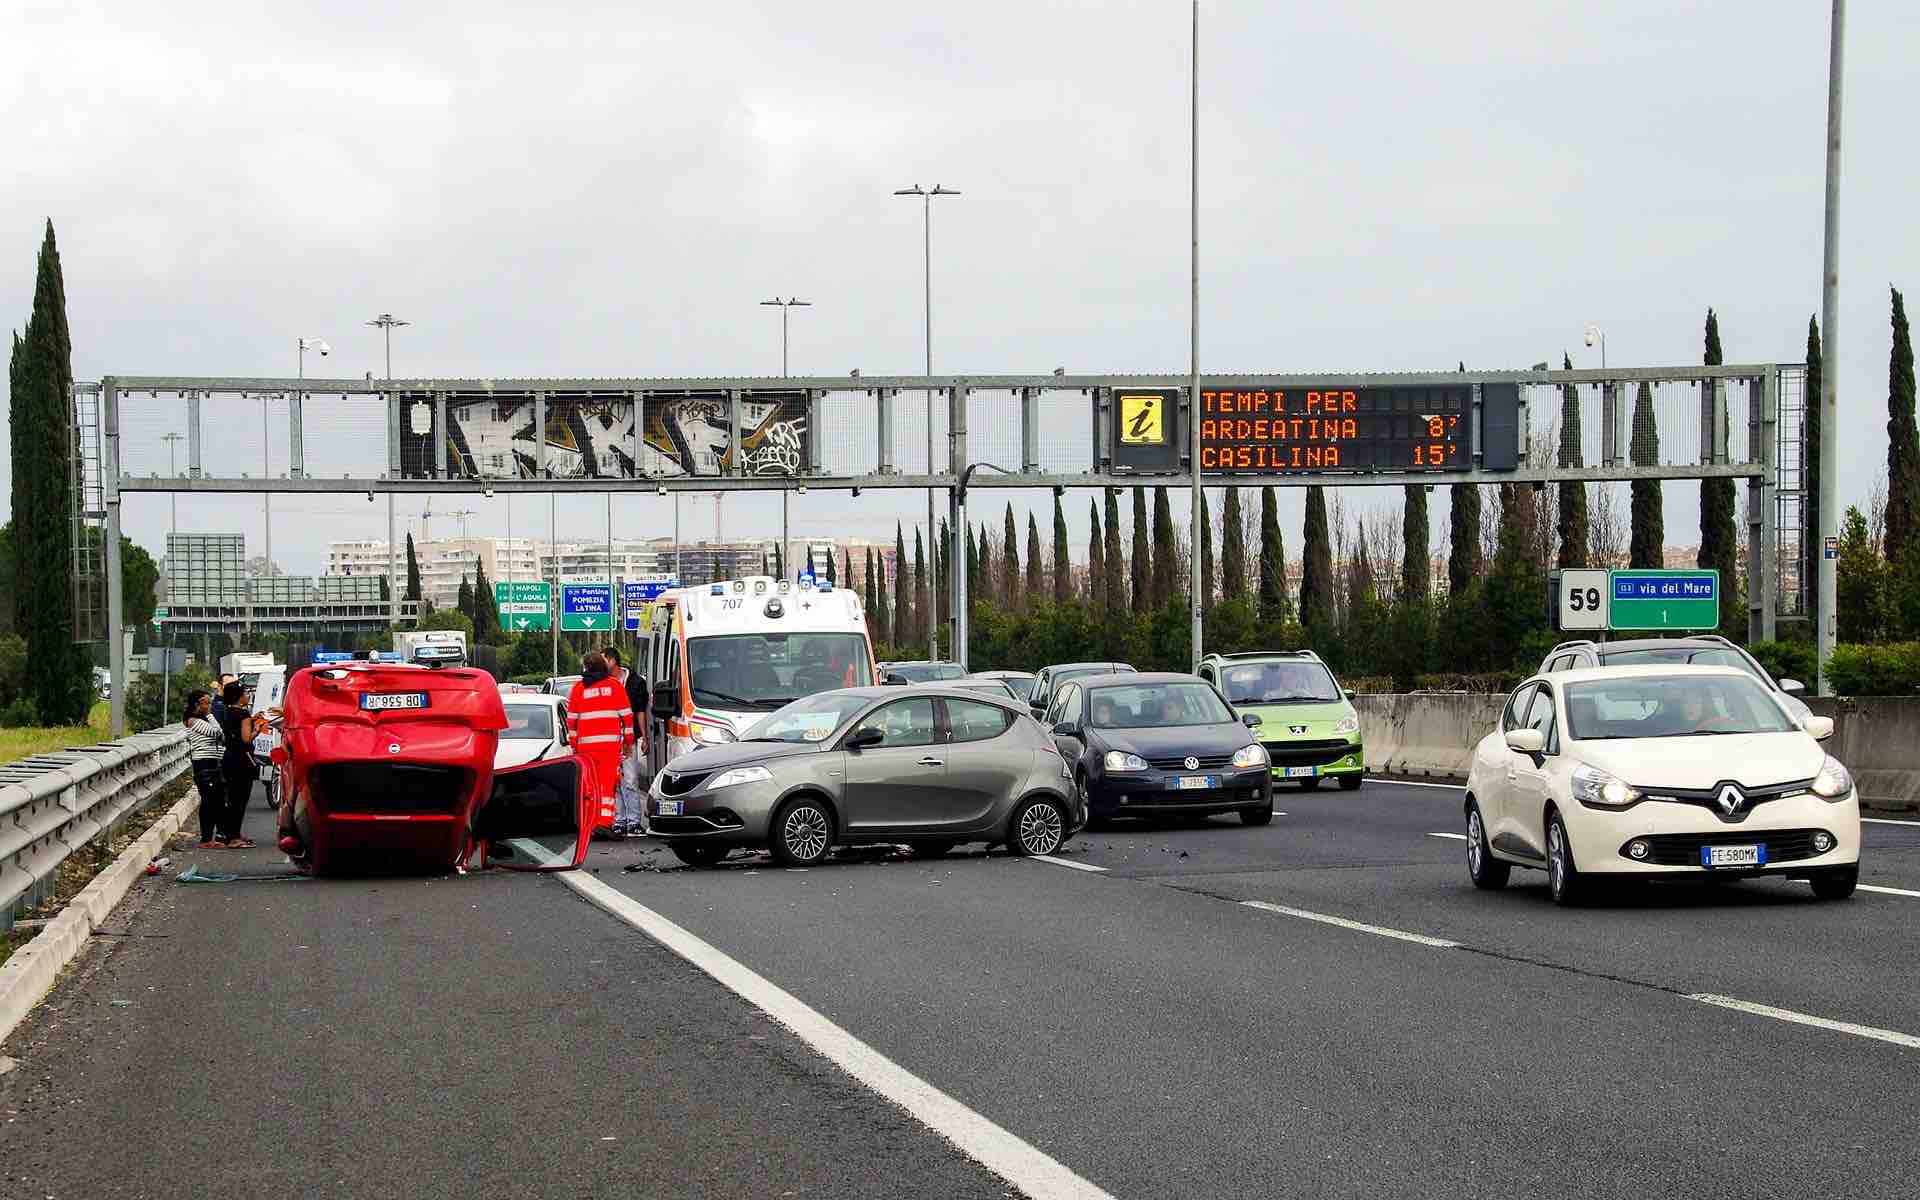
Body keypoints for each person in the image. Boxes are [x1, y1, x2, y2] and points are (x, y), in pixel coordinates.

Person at [566, 653, 634, 836]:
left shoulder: (579, 688)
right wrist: (629, 743)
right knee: (607, 786)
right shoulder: (614, 686)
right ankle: (604, 823)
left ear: (586, 668)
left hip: (586, 750)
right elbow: (627, 718)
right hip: (609, 749)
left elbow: (571, 722)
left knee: (589, 787)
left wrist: (574, 745)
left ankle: (590, 823)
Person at [601, 646, 648, 837]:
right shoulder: (603, 683)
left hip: (628, 738)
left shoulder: (635, 682)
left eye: (603, 660)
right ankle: (619, 821)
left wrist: (644, 736)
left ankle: (634, 821)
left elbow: (640, 711)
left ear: (612, 660)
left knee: (630, 779)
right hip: (609, 739)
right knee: (615, 781)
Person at [213, 680, 259, 848]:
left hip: (229, 758)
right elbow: (246, 739)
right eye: (245, 693)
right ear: (239, 697)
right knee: (240, 799)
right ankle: (234, 838)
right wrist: (256, 731)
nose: (247, 696)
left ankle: (232, 834)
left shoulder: (226, 712)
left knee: (232, 799)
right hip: (242, 759)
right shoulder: (243, 714)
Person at [182, 690, 228, 848]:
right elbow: (216, 733)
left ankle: (215, 836)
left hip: (213, 762)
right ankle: (206, 838)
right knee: (208, 800)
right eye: (205, 702)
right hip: (203, 763)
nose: (209, 706)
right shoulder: (193, 721)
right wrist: (210, 715)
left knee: (218, 799)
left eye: (209, 702)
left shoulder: (203, 720)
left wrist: (211, 719)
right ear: (196, 704)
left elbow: (221, 734)